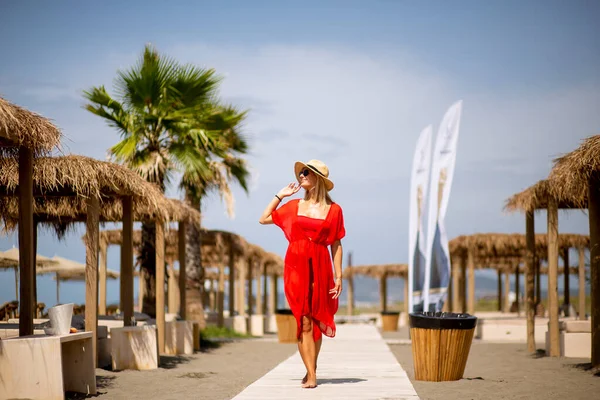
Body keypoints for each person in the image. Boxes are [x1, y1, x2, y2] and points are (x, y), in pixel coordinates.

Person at [259, 159, 345, 389]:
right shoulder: (294, 206)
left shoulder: (334, 210)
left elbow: (336, 244)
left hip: (321, 264)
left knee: (316, 318)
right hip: (296, 264)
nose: (302, 176)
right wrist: (280, 195)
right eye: (301, 173)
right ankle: (312, 374)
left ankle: (311, 370)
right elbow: (264, 218)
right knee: (304, 319)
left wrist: (339, 276)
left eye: (307, 173)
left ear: (320, 179)